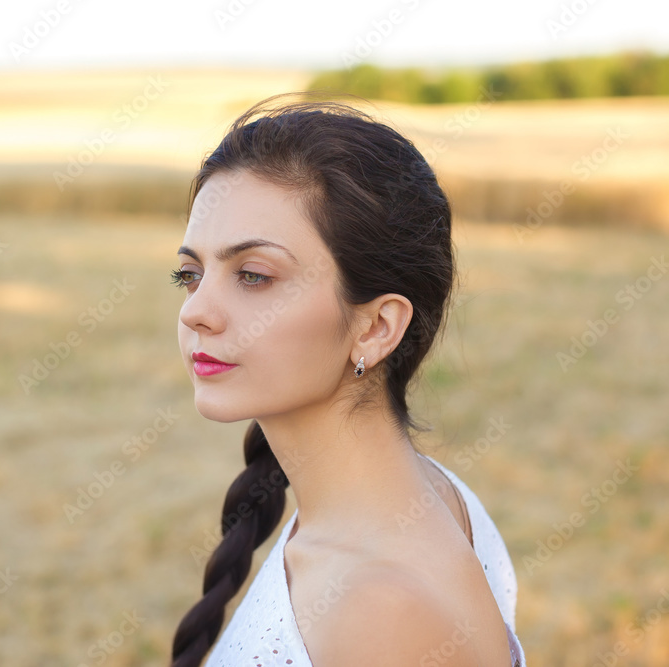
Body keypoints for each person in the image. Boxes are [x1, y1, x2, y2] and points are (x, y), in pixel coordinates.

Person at [167, 95, 525, 666]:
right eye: (190, 274)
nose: (196, 312)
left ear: (376, 327)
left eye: (254, 275)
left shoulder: (381, 613)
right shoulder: (426, 494)